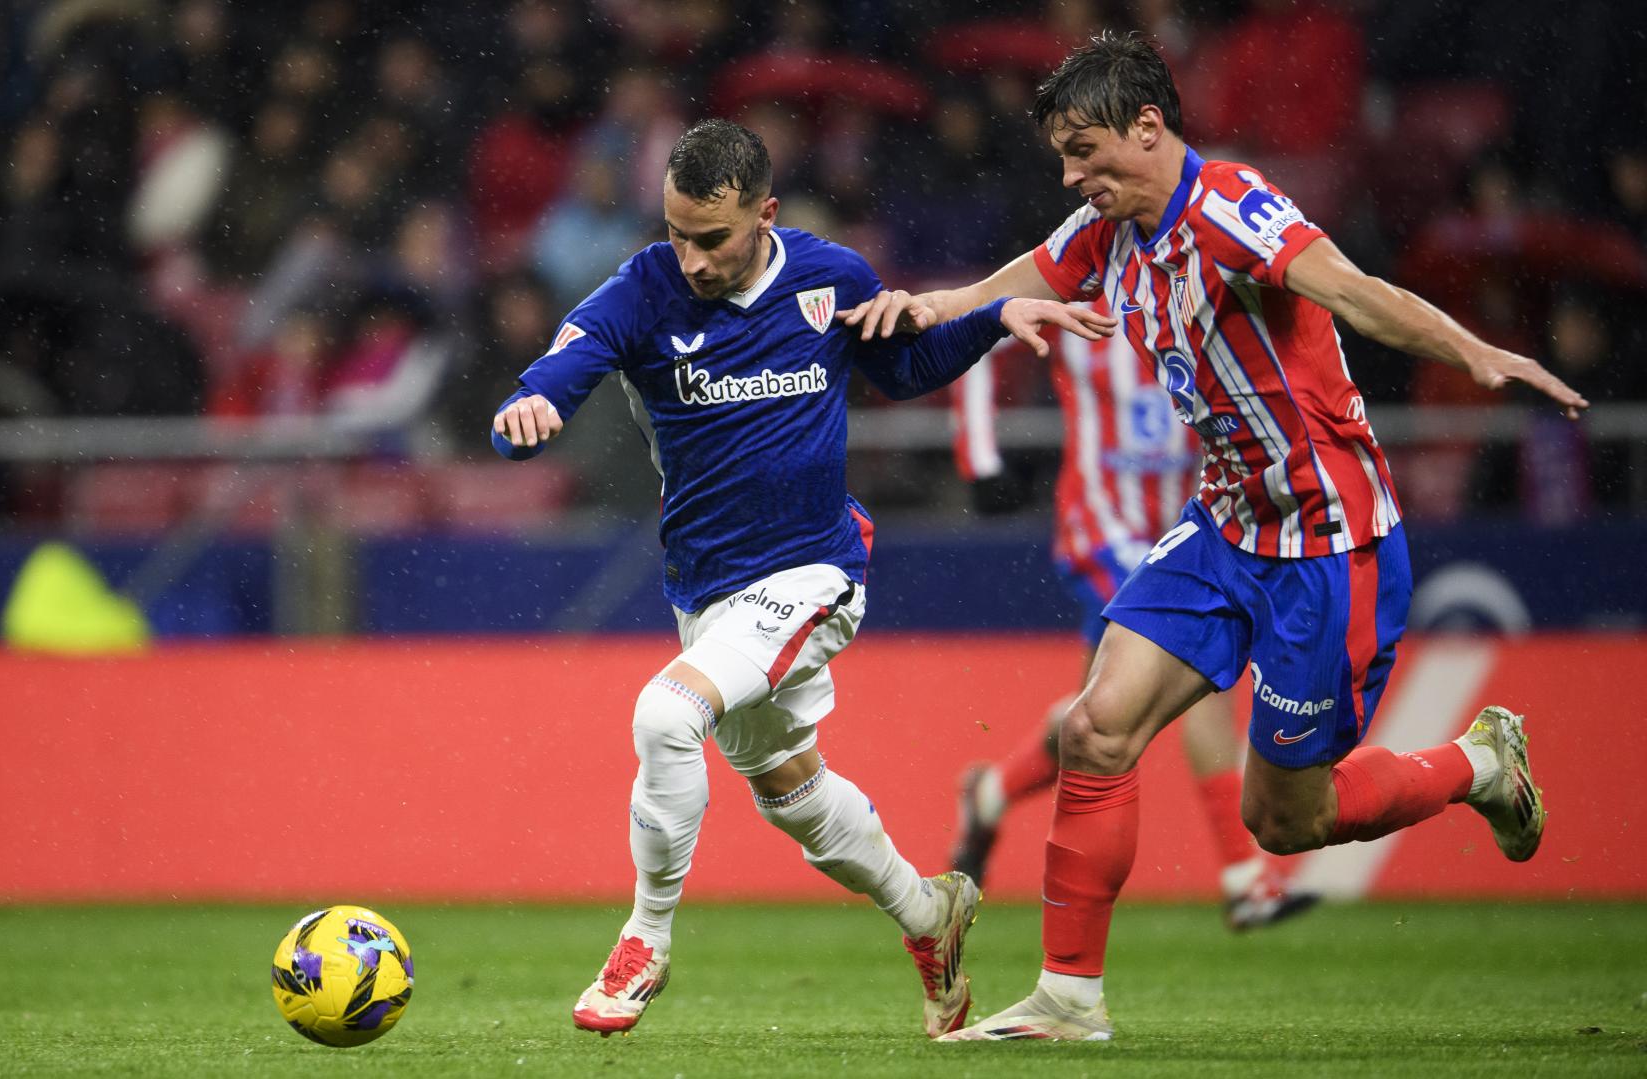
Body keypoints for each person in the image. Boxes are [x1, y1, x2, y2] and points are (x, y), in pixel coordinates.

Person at [844, 32, 1585, 1042]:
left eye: (1084, 152)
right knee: (1096, 727)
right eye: (1063, 157)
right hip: (1225, 525)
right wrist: (944, 304)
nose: (1071, 177)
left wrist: (1473, 350)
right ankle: (1068, 996)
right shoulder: (1108, 230)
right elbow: (1037, 270)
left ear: (1148, 127)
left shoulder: (1233, 208)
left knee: (1286, 817)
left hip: (1327, 544)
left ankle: (1478, 763)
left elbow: (1353, 290)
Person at [490, 118, 1115, 1038]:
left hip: (816, 571)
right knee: (791, 790)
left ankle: (645, 939)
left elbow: (904, 366)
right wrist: (531, 402)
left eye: (712, 238)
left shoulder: (831, 278)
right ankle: (928, 911)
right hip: (708, 591)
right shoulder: (642, 290)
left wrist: (992, 321)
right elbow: (567, 361)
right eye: (677, 234)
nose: (692, 259)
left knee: (666, 714)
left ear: (766, 214)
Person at [946, 292, 1318, 932]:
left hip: (1183, 528)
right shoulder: (1076, 289)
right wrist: (981, 461)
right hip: (1103, 528)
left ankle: (992, 793)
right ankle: (1246, 877)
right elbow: (979, 337)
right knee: (1199, 673)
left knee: (1097, 714)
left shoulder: (1195, 292)